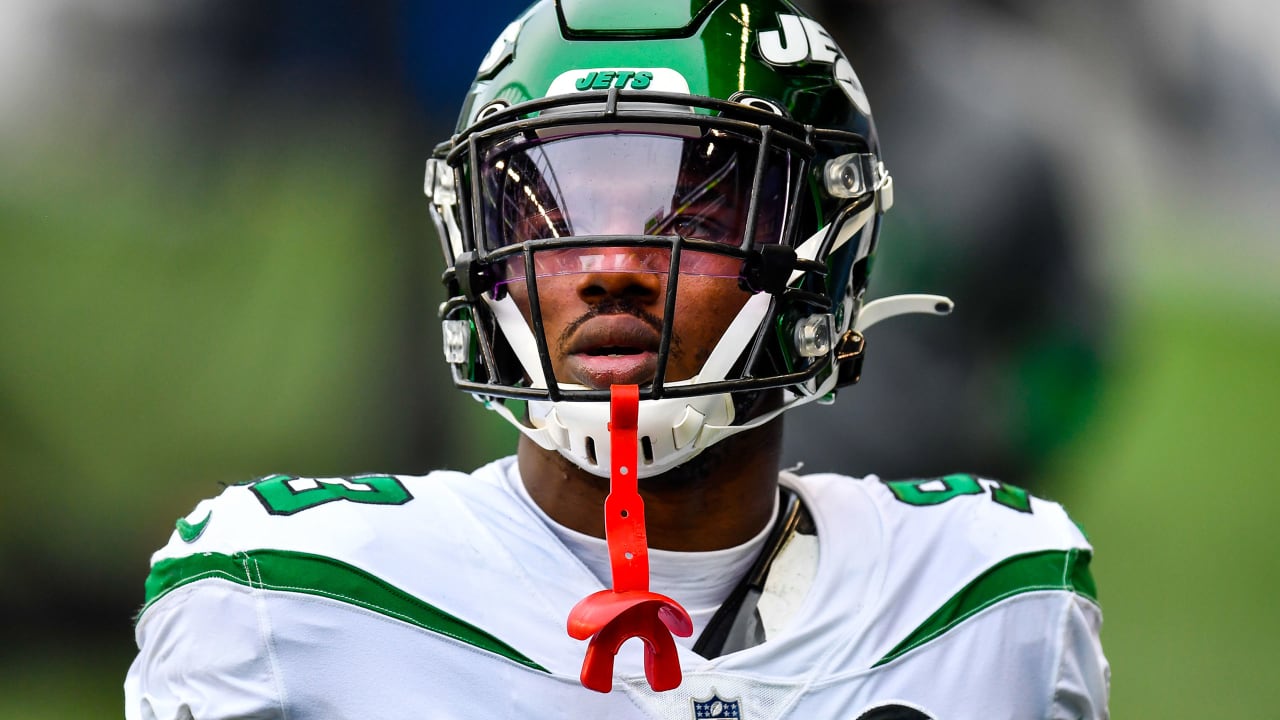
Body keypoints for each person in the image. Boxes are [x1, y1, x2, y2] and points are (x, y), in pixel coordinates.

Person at [125, 1, 1110, 718]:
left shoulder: (989, 605)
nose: (608, 264)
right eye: (548, 210)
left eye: (689, 207)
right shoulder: (281, 605)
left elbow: (1076, 346)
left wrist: (1008, 441)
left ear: (825, 251)